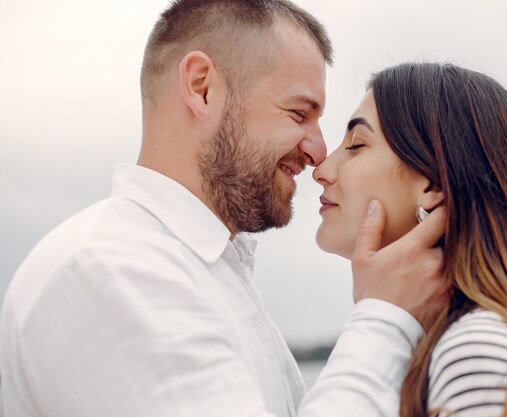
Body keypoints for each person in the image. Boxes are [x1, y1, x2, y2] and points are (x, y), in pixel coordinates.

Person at [0, 2, 450, 417]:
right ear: (202, 88)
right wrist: (384, 318)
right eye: (298, 114)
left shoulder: (206, 274)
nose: (317, 151)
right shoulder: (109, 268)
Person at [313, 62, 507, 417]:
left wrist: (377, 318)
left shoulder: (480, 353)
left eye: (356, 145)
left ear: (433, 187)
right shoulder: (463, 347)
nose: (321, 171)